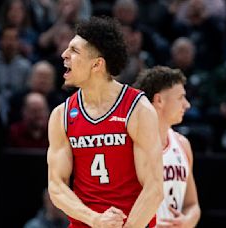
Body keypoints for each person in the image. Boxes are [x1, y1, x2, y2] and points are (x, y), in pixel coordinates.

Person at [47, 16, 163, 228]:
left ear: (97, 64)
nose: (64, 54)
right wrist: (95, 219)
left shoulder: (137, 108)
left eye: (74, 50)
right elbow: (56, 187)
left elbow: (154, 188)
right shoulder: (61, 115)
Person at [133, 66, 201, 227]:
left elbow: (192, 205)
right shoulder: (130, 145)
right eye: (181, 97)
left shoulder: (182, 144)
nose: (187, 105)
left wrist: (186, 221)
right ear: (159, 100)